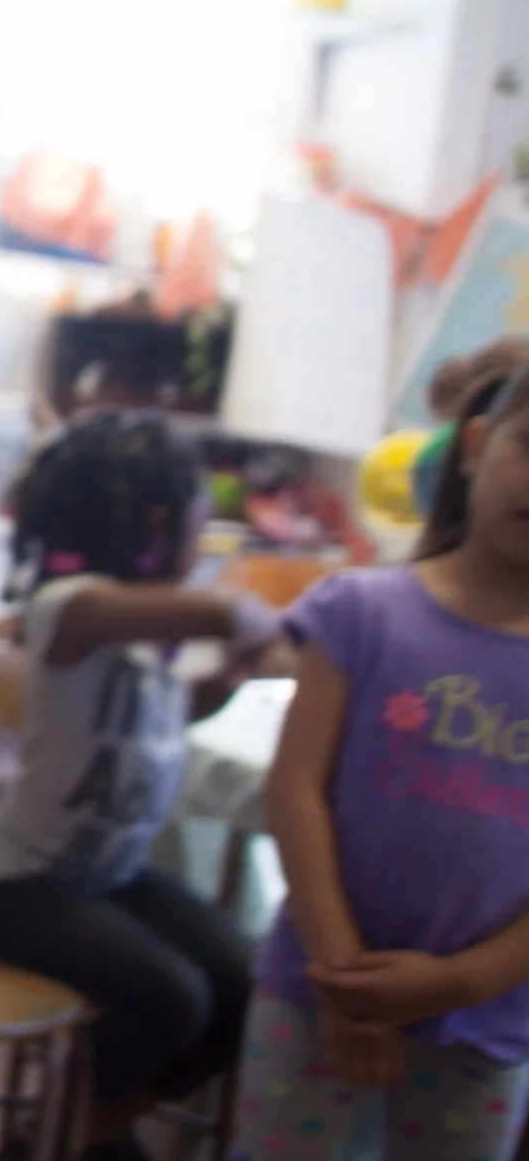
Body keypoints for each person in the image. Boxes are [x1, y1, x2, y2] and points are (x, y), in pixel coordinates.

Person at [0, 412, 279, 1161]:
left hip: (105, 877)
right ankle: (74, 1127)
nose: (203, 544)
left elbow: (163, 717)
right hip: (8, 880)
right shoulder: (71, 607)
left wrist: (218, 684)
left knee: (247, 985)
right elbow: (197, 611)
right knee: (169, 998)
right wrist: (247, 615)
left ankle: (86, 1122)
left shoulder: (137, 640)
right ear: (162, 522)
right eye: (200, 521)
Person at [236, 364, 529, 1159]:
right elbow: (296, 791)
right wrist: (342, 977)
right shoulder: (359, 612)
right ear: (476, 446)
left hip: (484, 1022)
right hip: (314, 1000)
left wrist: (457, 984)